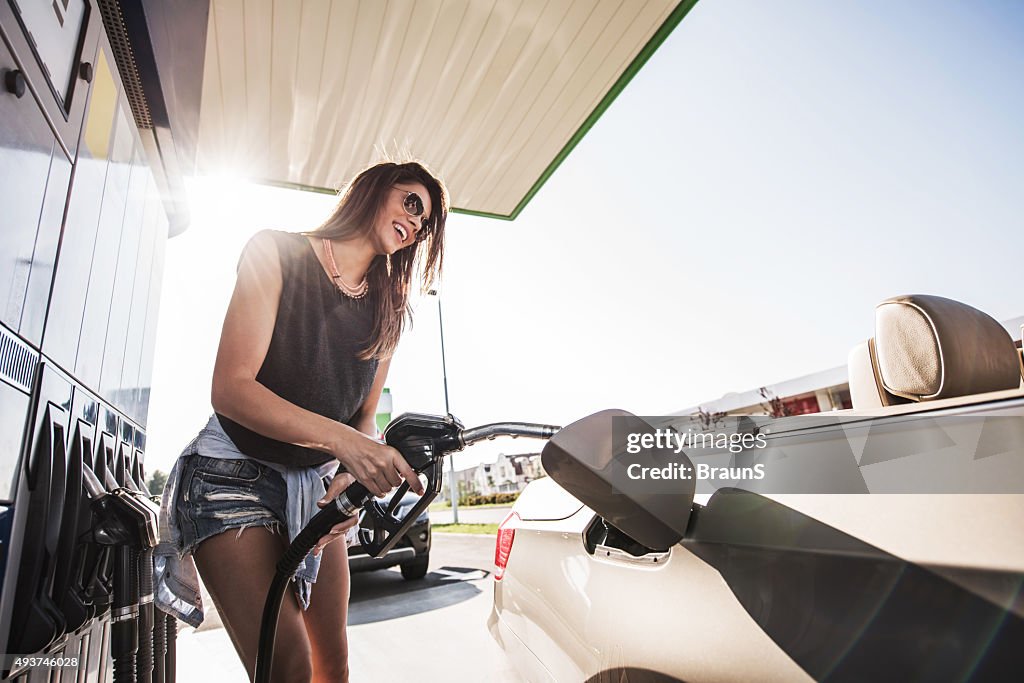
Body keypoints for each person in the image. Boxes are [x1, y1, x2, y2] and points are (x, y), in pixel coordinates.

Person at [158, 161, 448, 682]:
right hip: (230, 478)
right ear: (375, 188)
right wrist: (345, 444)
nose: (416, 222)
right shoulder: (275, 251)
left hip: (315, 487)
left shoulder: (388, 309)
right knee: (288, 667)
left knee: (332, 665)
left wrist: (348, 473)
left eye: (424, 221)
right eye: (410, 201)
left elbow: (362, 419)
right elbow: (231, 388)